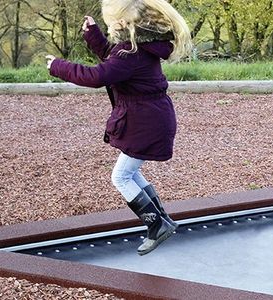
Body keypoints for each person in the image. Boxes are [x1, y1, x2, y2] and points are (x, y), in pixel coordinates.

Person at [46, 0, 192, 255]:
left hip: (145, 122)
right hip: (150, 119)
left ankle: (156, 225)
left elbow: (97, 76)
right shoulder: (137, 48)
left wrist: (58, 66)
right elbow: (113, 61)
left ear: (123, 23)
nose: (109, 24)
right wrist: (94, 35)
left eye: (110, 21)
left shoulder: (131, 54)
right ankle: (162, 219)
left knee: (120, 176)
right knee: (131, 172)